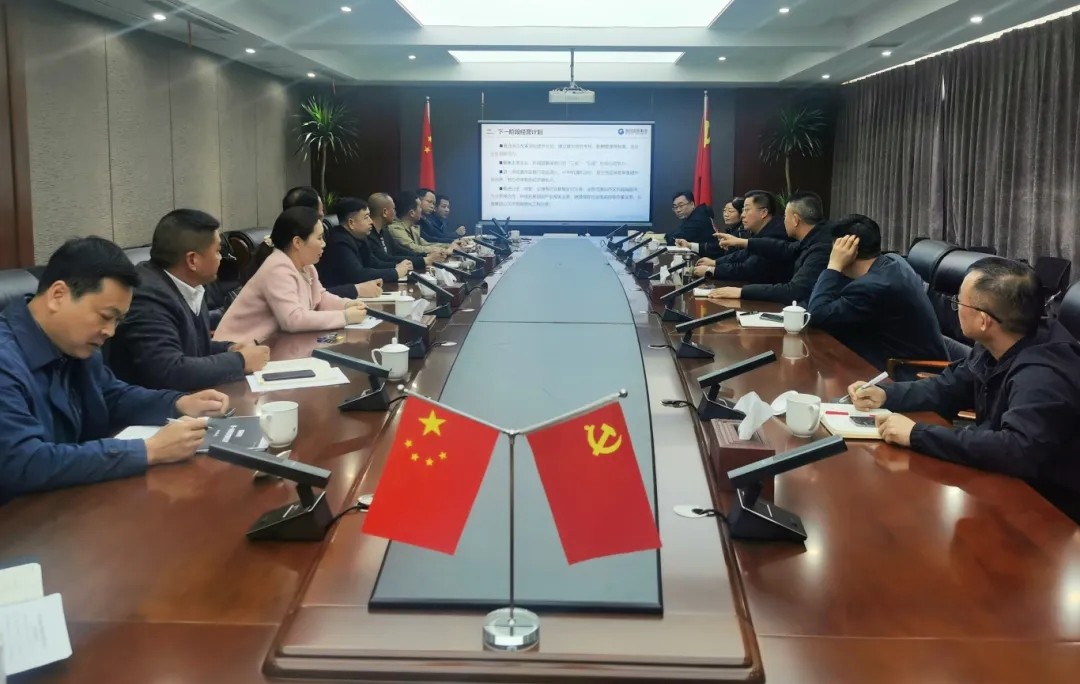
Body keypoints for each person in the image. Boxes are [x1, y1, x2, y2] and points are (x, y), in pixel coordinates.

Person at [0, 236, 230, 503]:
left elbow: (112, 396)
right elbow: (22, 462)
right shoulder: (6, 360)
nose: (110, 331)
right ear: (58, 295)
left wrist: (178, 403)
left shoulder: (75, 344)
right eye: (105, 317)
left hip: (69, 503)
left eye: (118, 320)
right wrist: (148, 450)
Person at [849, 258, 1080, 522]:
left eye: (959, 302)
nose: (956, 308)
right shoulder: (1000, 341)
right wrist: (886, 395)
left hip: (1047, 509)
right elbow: (948, 387)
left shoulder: (1042, 375)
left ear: (984, 320)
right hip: (1001, 479)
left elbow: (1017, 450)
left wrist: (916, 434)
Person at [111, 210, 271, 391]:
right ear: (193, 260)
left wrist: (229, 349)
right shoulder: (147, 298)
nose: (221, 258)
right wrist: (240, 361)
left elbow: (192, 348)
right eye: (217, 251)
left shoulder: (189, 284)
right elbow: (169, 370)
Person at [805, 215, 947, 378]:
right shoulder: (892, 262)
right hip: (897, 359)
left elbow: (817, 315)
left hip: (905, 372)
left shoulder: (873, 287)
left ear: (850, 252)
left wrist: (834, 265)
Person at [213, 207, 369, 345]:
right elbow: (293, 320)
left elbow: (320, 298)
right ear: (297, 242)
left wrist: (347, 304)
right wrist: (345, 317)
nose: (324, 244)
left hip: (273, 345)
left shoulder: (306, 266)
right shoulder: (277, 268)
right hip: (238, 349)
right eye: (319, 238)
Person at [708, 191, 831, 304]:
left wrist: (741, 291)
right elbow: (782, 248)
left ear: (795, 220)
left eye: (785, 216)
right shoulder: (811, 239)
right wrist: (743, 242)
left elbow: (794, 291)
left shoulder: (821, 248)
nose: (783, 221)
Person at [281, 186, 383, 299]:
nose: (324, 243)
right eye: (319, 217)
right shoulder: (280, 264)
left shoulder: (308, 263)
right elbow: (308, 299)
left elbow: (319, 293)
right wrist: (357, 290)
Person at [317, 197, 413, 289]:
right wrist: (395, 272)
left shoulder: (360, 237)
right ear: (351, 223)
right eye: (366, 217)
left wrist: (396, 266)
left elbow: (373, 263)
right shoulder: (339, 243)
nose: (371, 221)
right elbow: (358, 275)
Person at [693, 190, 789, 281]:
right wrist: (715, 263)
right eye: (743, 210)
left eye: (747, 210)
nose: (742, 215)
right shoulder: (764, 230)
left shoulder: (776, 234)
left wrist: (711, 271)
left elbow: (748, 269)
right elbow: (744, 254)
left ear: (763, 212)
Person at [368, 192, 445, 271]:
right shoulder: (369, 235)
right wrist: (424, 260)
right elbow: (384, 258)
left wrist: (425, 256)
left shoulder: (384, 231)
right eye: (393, 209)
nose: (395, 212)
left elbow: (399, 251)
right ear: (385, 212)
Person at [387, 190, 461, 257]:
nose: (421, 209)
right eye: (419, 207)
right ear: (412, 213)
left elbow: (426, 244)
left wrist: (450, 245)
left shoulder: (412, 227)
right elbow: (414, 248)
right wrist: (445, 250)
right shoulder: (395, 228)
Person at [676, 196, 744, 258]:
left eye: (730, 211)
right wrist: (689, 245)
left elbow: (735, 260)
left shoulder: (742, 233)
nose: (726, 214)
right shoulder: (732, 230)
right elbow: (716, 247)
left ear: (742, 213)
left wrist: (714, 264)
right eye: (724, 210)